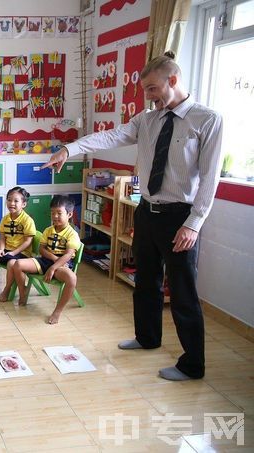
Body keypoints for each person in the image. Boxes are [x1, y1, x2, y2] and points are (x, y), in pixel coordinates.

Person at [42, 51, 223, 380]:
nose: (148, 97)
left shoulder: (207, 119)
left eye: (153, 89)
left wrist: (194, 224)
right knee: (146, 281)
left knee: (182, 292)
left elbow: (210, 178)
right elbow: (110, 136)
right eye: (145, 91)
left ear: (173, 80)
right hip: (147, 211)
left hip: (179, 216)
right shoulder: (147, 119)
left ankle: (192, 364)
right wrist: (70, 149)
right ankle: (147, 337)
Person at [12, 195, 80, 324]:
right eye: (52, 213)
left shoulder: (72, 234)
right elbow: (42, 250)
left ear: (69, 214)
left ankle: (57, 311)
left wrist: (54, 267)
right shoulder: (48, 230)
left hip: (61, 265)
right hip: (46, 260)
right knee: (17, 264)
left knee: (72, 278)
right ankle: (23, 293)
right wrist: (53, 259)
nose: (55, 216)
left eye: (59, 213)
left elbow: (68, 255)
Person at [0, 187, 36, 302]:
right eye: (9, 200)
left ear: (24, 204)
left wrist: (13, 253)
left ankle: (7, 290)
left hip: (21, 252)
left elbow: (28, 241)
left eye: (16, 201)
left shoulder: (27, 220)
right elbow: (2, 237)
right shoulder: (5, 219)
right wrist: (1, 250)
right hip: (6, 249)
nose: (11, 203)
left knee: (11, 263)